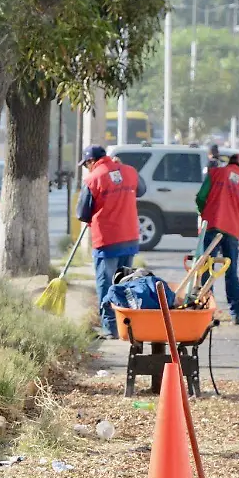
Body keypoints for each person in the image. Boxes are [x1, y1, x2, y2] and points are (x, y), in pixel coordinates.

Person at [75, 145, 145, 339]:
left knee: (106, 284)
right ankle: (127, 326)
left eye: (86, 164)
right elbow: (142, 190)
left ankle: (110, 328)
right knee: (125, 283)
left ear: (91, 161)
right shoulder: (129, 171)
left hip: (107, 240)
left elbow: (81, 213)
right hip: (130, 237)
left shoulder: (92, 178)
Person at [196, 151, 239, 326]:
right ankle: (236, 312)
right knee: (231, 272)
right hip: (231, 232)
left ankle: (205, 310)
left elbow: (200, 198)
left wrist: (204, 214)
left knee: (206, 269)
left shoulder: (215, 173)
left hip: (210, 228)